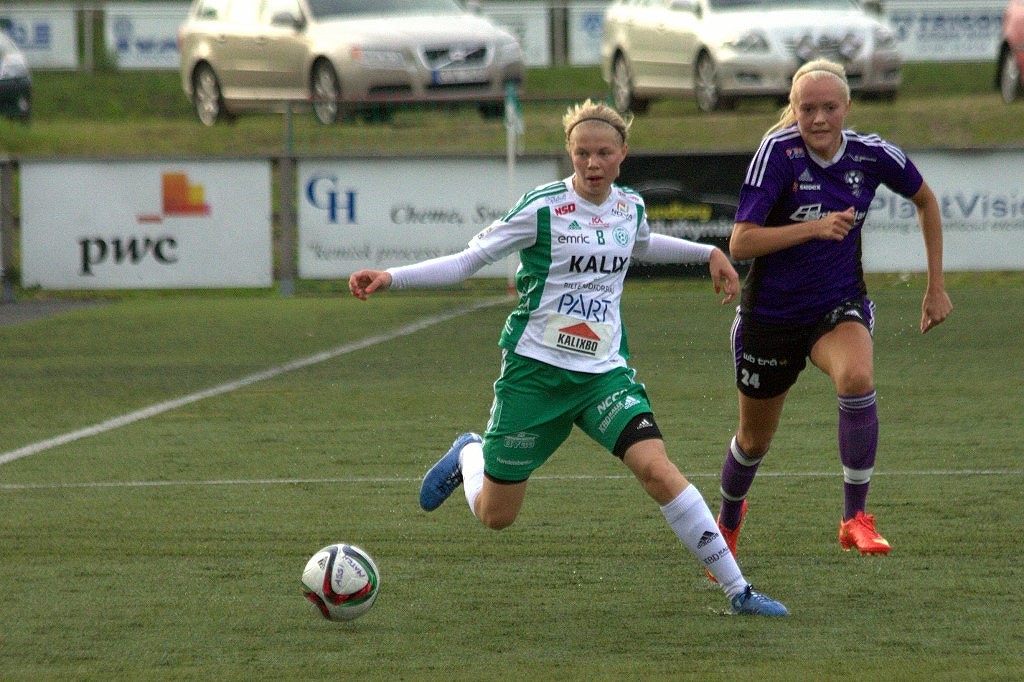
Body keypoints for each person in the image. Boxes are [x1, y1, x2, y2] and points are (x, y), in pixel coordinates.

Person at [349, 99, 788, 616]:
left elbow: (644, 244)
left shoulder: (629, 207)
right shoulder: (542, 208)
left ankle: (739, 591)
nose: (593, 163)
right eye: (582, 154)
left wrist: (709, 253)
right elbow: (469, 260)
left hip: (603, 375)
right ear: (570, 154)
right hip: (535, 376)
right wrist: (392, 277)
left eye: (603, 153)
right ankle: (470, 453)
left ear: (622, 155)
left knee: (658, 471)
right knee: (496, 515)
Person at [710, 59, 953, 569]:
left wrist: (936, 286)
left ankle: (855, 517)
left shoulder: (872, 154)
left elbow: (926, 200)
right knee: (753, 442)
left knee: (857, 376)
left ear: (847, 107)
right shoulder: (777, 153)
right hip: (771, 316)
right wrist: (814, 228)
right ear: (794, 109)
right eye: (807, 109)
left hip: (836, 304)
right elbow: (741, 242)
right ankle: (727, 525)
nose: (819, 118)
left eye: (829, 107)